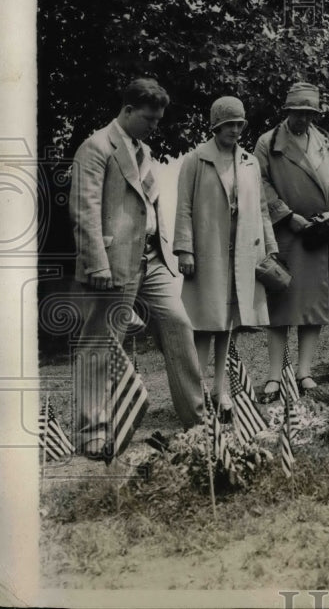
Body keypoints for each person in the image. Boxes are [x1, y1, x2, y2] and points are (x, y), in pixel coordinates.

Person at [69, 77, 204, 458]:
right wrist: (96, 263)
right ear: (127, 110)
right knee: (98, 344)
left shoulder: (143, 150)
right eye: (149, 118)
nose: (155, 126)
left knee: (178, 324)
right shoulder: (95, 148)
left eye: (159, 120)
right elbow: (84, 211)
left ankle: (196, 420)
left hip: (152, 259)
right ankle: (92, 431)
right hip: (112, 263)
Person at [174, 96, 278, 416]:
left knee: (227, 326)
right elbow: (185, 208)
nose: (235, 130)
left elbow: (260, 208)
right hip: (208, 252)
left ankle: (221, 392)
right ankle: (198, 390)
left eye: (239, 124)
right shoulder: (196, 160)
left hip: (242, 253)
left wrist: (270, 247)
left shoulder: (249, 161)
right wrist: (184, 249)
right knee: (205, 323)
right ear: (216, 126)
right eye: (229, 124)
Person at [254, 82, 329, 400]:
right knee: (281, 305)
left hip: (319, 235)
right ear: (287, 111)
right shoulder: (267, 143)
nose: (303, 119)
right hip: (284, 234)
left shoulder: (326, 142)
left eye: (309, 113)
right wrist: (287, 215)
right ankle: (273, 377)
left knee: (314, 306)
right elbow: (260, 184)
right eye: (298, 112)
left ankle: (304, 372)